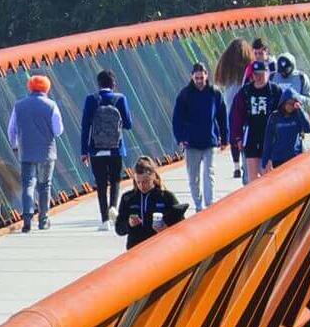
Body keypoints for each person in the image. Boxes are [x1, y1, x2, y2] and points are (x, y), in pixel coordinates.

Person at [6, 73, 65, 233]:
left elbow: (11, 129)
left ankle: (27, 219)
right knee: (45, 185)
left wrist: (15, 145)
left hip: (26, 151)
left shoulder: (19, 105)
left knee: (28, 184)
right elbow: (58, 130)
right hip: (47, 151)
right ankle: (43, 219)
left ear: (30, 87)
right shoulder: (51, 105)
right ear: (46, 88)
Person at [171, 60, 229, 212]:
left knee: (209, 173)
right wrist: (180, 138)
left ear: (206, 75)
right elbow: (177, 119)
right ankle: (198, 205)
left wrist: (225, 137)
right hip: (191, 142)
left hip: (209, 141)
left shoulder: (214, 93)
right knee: (193, 177)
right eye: (196, 78)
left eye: (201, 78)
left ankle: (209, 204)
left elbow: (222, 116)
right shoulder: (185, 95)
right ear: (192, 77)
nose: (199, 81)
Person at [80, 68, 134, 224]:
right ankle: (113, 208)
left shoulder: (91, 99)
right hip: (116, 148)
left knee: (101, 184)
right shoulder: (120, 98)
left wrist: (84, 151)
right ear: (113, 84)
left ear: (98, 84)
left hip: (96, 149)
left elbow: (85, 127)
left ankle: (104, 220)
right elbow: (128, 124)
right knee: (116, 180)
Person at [114, 159, 188, 249]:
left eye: (145, 182)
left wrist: (165, 228)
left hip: (160, 247)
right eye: (138, 182)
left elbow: (181, 226)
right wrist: (129, 224)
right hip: (135, 247)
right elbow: (119, 229)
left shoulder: (166, 196)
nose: (141, 186)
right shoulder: (128, 198)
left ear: (153, 176)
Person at [228, 61, 277, 183]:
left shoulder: (275, 91)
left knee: (269, 174)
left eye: (261, 73)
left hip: (269, 136)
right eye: (255, 74)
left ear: (267, 73)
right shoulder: (245, 92)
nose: (258, 77)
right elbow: (236, 116)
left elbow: (282, 112)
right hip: (251, 136)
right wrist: (237, 138)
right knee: (252, 178)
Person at [262, 86, 310, 172]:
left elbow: (308, 129)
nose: (290, 106)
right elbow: (268, 139)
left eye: (293, 104)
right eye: (288, 103)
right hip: (277, 159)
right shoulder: (274, 117)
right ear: (283, 103)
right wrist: (265, 162)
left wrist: (300, 110)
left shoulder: (298, 115)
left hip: (294, 157)